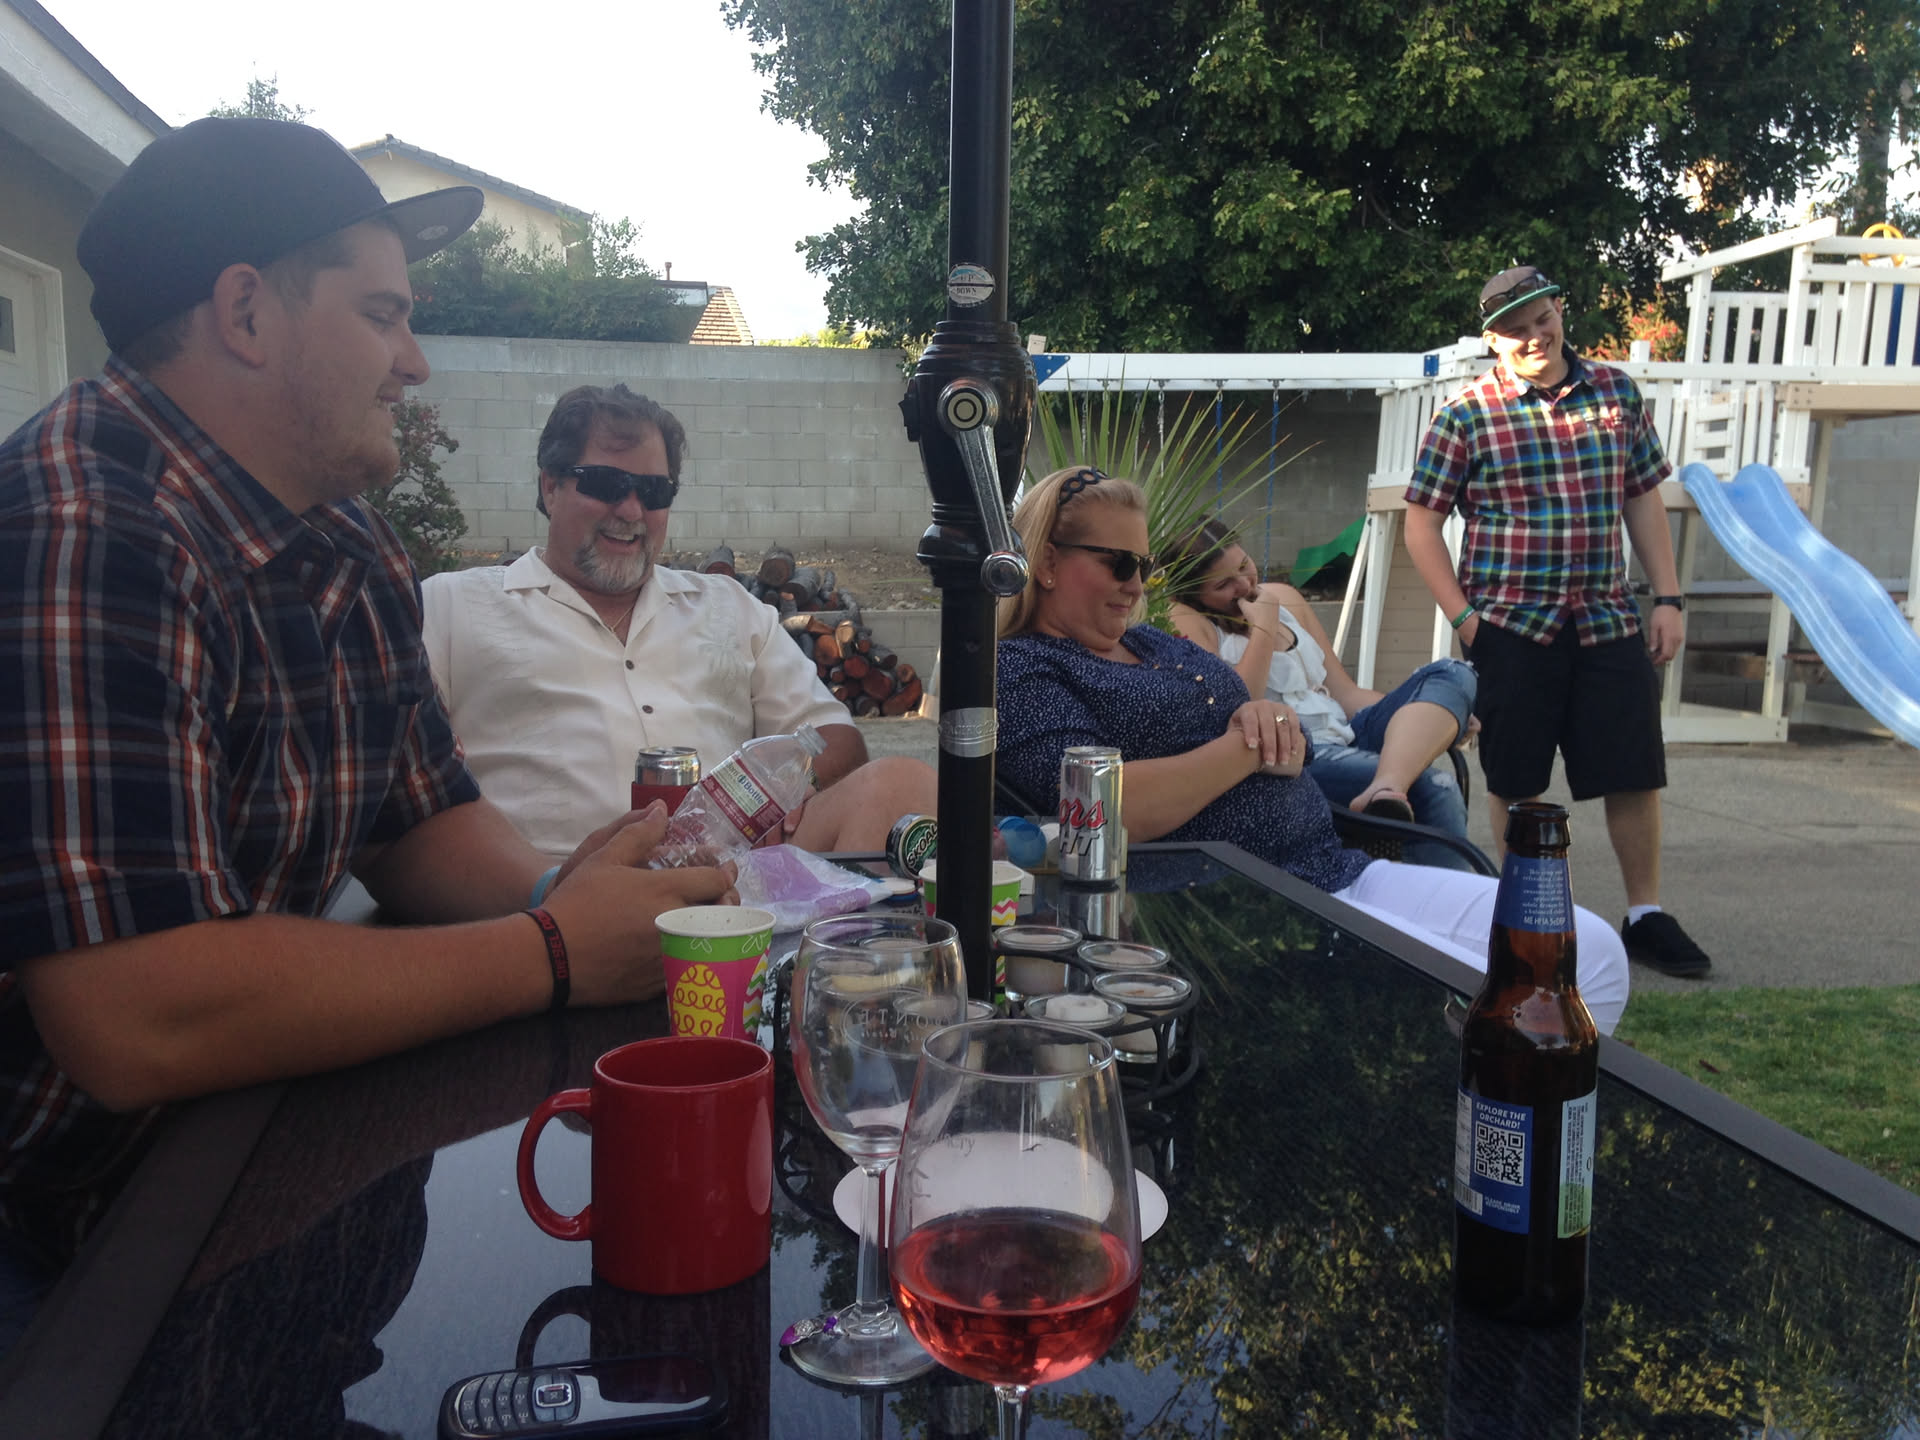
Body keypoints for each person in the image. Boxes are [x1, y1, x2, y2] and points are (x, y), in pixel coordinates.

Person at [0, 120, 734, 1300]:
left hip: (257, 1157)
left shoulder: (344, 537)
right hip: (63, 1232)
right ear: (246, 313)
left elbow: (416, 821)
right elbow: (134, 1017)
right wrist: (552, 951)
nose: (415, 363)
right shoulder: (86, 528)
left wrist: (569, 890)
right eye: (384, 316)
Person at [993, 466, 1629, 1032]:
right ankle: (1490, 1105)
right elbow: (1099, 810)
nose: (1136, 586)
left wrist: (1272, 720)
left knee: (1590, 953)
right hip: (1236, 911)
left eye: (1144, 566)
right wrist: (1248, 747)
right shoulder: (1024, 668)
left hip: (1329, 867)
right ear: (1046, 562)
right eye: (1118, 564)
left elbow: (1281, 740)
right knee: (1528, 988)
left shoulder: (1152, 644)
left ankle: (1499, 1096)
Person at [420, 384, 937, 858]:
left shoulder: (728, 607)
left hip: (738, 885)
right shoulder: (451, 608)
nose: (631, 510)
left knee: (904, 787)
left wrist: (795, 789)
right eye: (607, 484)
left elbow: (834, 736)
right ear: (550, 486)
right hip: (557, 896)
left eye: (654, 492)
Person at [1402, 265, 1710, 978]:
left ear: (1560, 312)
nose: (1534, 337)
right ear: (1493, 340)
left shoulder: (1615, 393)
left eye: (1543, 320)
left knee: (1633, 772)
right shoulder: (1466, 415)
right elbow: (1421, 524)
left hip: (1606, 618)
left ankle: (1646, 915)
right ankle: (1534, 925)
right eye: (1515, 330)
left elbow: (1642, 496)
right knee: (1517, 780)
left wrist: (1667, 599)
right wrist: (1466, 619)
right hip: (1511, 628)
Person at [1164, 517, 1475, 857]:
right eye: (1224, 584)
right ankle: (1434, 884)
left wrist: (1433, 713)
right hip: (1299, 753)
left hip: (1347, 730)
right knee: (1436, 786)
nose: (1244, 584)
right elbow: (1235, 704)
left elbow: (1345, 693)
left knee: (1452, 672)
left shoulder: (1284, 597)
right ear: (1194, 594)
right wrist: (1264, 626)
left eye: (1243, 565)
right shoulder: (1189, 621)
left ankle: (1388, 785)